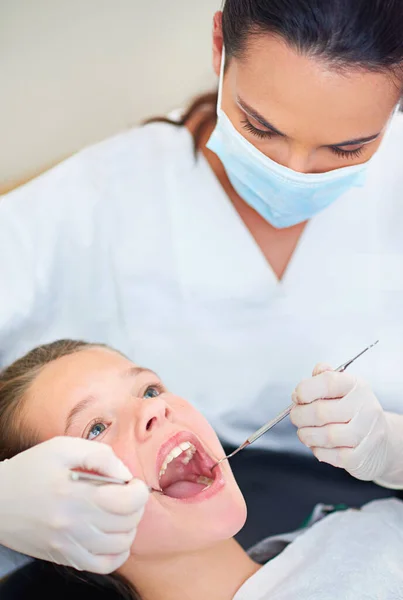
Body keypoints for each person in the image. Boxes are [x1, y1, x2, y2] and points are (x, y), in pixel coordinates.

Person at [1, 0, 403, 567]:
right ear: (219, 46)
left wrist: (395, 451)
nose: (294, 170)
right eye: (261, 127)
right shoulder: (95, 203)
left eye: (347, 149)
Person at [0, 339, 402, 600]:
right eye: (96, 428)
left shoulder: (358, 530)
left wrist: (394, 450)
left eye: (150, 389)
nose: (153, 408)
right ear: (54, 520)